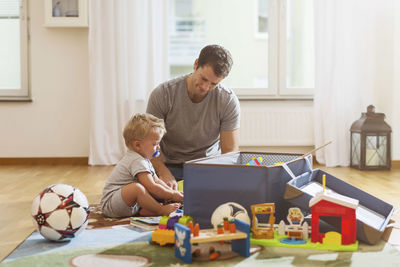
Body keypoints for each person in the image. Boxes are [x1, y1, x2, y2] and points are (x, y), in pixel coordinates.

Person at [146, 44, 240, 189]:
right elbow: (148, 142)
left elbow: (229, 152)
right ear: (196, 64)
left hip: (208, 167)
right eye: (203, 79)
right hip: (168, 164)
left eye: (213, 84)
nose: (205, 87)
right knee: (141, 195)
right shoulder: (163, 94)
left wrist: (220, 180)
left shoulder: (227, 100)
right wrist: (163, 172)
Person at [100, 113, 183, 218]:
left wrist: (172, 193)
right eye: (155, 144)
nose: (158, 148)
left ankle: (146, 209)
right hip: (111, 204)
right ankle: (159, 210)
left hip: (127, 204)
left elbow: (157, 181)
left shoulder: (145, 160)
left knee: (147, 188)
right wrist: (172, 195)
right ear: (138, 145)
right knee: (137, 188)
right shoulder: (136, 160)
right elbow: (152, 187)